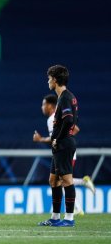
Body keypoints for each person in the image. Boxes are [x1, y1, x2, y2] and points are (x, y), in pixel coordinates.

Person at [33, 94, 96, 215]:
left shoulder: (52, 118)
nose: (42, 107)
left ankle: (78, 205)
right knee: (61, 180)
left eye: (43, 104)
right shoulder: (59, 115)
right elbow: (75, 129)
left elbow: (55, 138)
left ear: (50, 106)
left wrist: (41, 139)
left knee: (62, 180)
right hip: (67, 151)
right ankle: (78, 204)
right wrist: (66, 137)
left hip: (64, 152)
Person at [38, 65, 79, 227]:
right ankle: (55, 217)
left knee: (67, 180)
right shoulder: (67, 96)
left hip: (64, 144)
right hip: (61, 144)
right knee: (53, 180)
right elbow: (74, 120)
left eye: (49, 78)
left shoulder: (65, 97)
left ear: (54, 80)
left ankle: (69, 218)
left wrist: (57, 138)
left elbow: (69, 120)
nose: (48, 81)